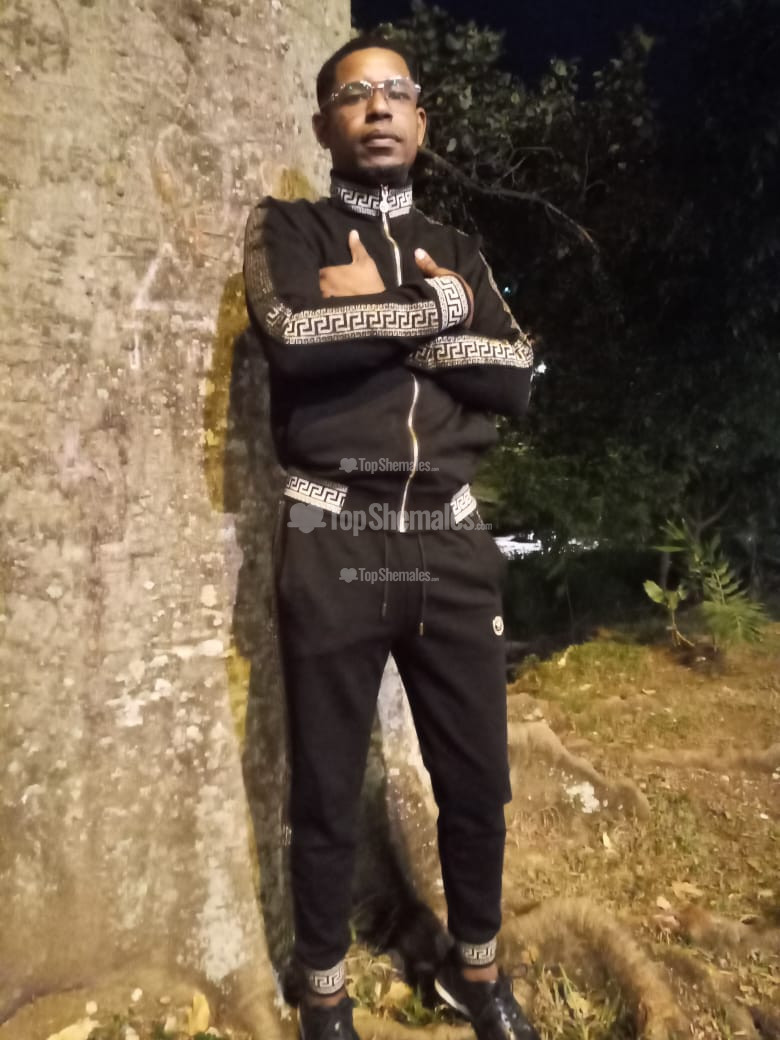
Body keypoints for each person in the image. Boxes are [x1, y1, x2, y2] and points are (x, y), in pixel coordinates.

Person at [243, 33, 539, 1040]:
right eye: (355, 94)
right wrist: (440, 312)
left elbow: (515, 376)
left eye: (396, 92)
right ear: (324, 122)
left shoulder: (461, 248)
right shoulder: (288, 227)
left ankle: (477, 973)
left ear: (420, 119)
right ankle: (323, 994)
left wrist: (388, 312)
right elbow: (294, 336)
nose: (378, 108)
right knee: (327, 785)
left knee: (479, 780)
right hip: (333, 533)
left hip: (451, 545)